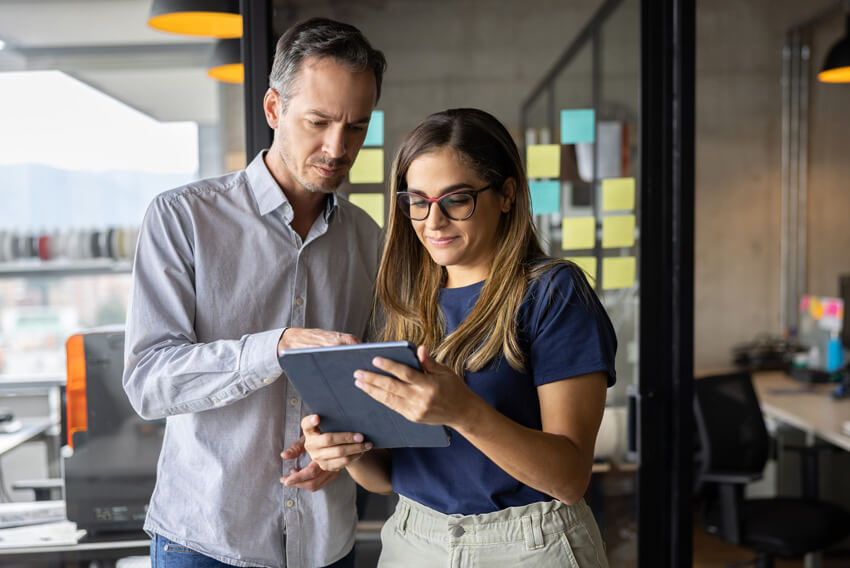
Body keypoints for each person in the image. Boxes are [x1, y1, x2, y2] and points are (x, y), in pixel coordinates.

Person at [123, 18, 386, 568]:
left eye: (356, 127)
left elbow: (372, 386)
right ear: (273, 109)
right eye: (318, 121)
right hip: (207, 540)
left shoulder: (370, 240)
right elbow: (148, 381)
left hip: (325, 542)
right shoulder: (181, 219)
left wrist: (345, 448)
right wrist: (275, 347)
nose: (337, 148)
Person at [302, 108, 617, 567]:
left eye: (457, 199)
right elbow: (389, 476)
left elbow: (569, 479)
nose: (433, 221)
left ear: (506, 194)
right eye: (418, 200)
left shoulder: (552, 292)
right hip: (413, 539)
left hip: (529, 545)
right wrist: (344, 450)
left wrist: (464, 412)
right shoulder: (405, 301)